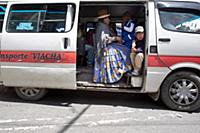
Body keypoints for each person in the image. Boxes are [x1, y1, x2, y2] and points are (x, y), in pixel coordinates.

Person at [94, 9, 131, 83]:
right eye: (107, 18)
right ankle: (120, 71)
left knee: (124, 49)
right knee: (124, 51)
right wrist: (115, 38)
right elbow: (104, 40)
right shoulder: (102, 27)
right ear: (103, 20)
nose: (109, 20)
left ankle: (123, 70)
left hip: (108, 45)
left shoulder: (105, 26)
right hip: (103, 49)